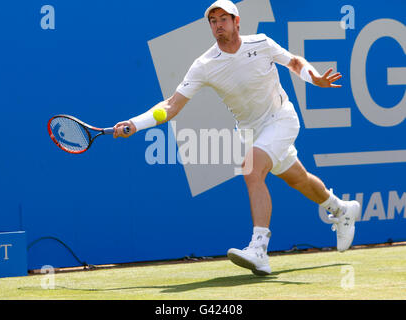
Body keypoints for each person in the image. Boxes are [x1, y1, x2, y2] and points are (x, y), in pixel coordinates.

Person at [113, 0, 360, 276]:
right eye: (213, 22)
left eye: (223, 19)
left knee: (251, 169)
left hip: (281, 118)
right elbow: (172, 104)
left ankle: (259, 249)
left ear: (236, 22)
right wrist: (136, 123)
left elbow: (293, 62)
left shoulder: (261, 43)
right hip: (252, 131)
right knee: (298, 179)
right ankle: (341, 209)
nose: (218, 26)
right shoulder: (204, 65)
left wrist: (315, 78)